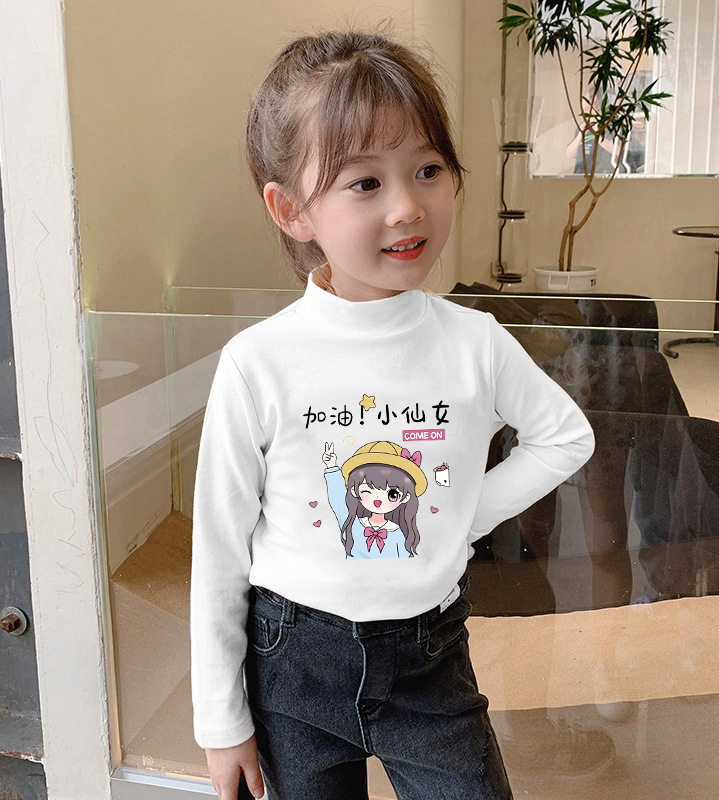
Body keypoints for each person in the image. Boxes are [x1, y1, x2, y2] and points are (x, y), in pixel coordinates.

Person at [190, 29, 595, 800]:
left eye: (428, 169)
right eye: (365, 182)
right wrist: (221, 721)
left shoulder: (474, 341)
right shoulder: (259, 361)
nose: (409, 207)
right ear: (291, 210)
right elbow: (219, 549)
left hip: (428, 663)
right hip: (292, 667)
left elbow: (564, 435)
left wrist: (466, 513)